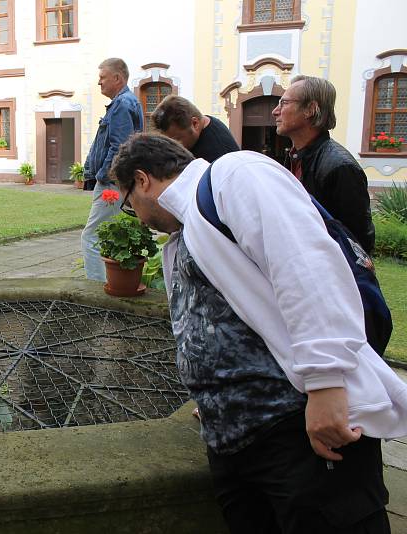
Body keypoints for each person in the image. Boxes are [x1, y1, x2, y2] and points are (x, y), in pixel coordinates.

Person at [111, 133, 405, 534]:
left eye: (130, 206)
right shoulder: (185, 234)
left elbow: (307, 269)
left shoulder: (235, 175)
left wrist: (324, 384)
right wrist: (217, 398)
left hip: (296, 427)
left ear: (142, 180)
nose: (139, 218)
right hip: (235, 439)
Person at [273, 75, 375, 253]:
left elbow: (358, 241)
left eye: (284, 103)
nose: (275, 111)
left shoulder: (340, 167)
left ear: (310, 109)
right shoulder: (295, 155)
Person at [80, 58, 143, 282]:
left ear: (117, 78)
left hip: (112, 184)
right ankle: (114, 283)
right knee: (109, 234)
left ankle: (96, 289)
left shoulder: (121, 104)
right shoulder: (127, 102)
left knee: (90, 237)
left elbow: (119, 145)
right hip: (117, 182)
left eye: (102, 78)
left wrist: (104, 176)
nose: (99, 83)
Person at [151, 95, 239, 162]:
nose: (172, 146)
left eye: (176, 140)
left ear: (195, 123)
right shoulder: (202, 125)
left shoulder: (217, 155)